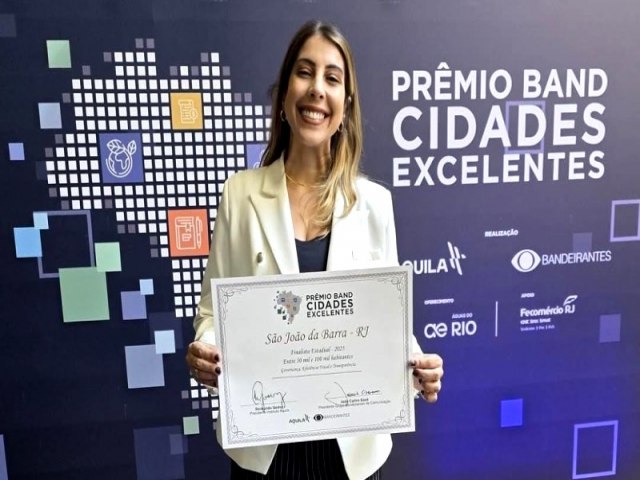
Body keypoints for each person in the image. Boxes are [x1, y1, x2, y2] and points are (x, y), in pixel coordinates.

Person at [186, 20, 444, 480]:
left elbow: (385, 323)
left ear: (346, 105)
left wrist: (417, 367)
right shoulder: (239, 195)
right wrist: (207, 350)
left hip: (351, 450)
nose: (317, 89)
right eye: (305, 72)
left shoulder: (374, 205)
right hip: (265, 448)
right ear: (285, 94)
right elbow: (212, 314)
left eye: (332, 78)